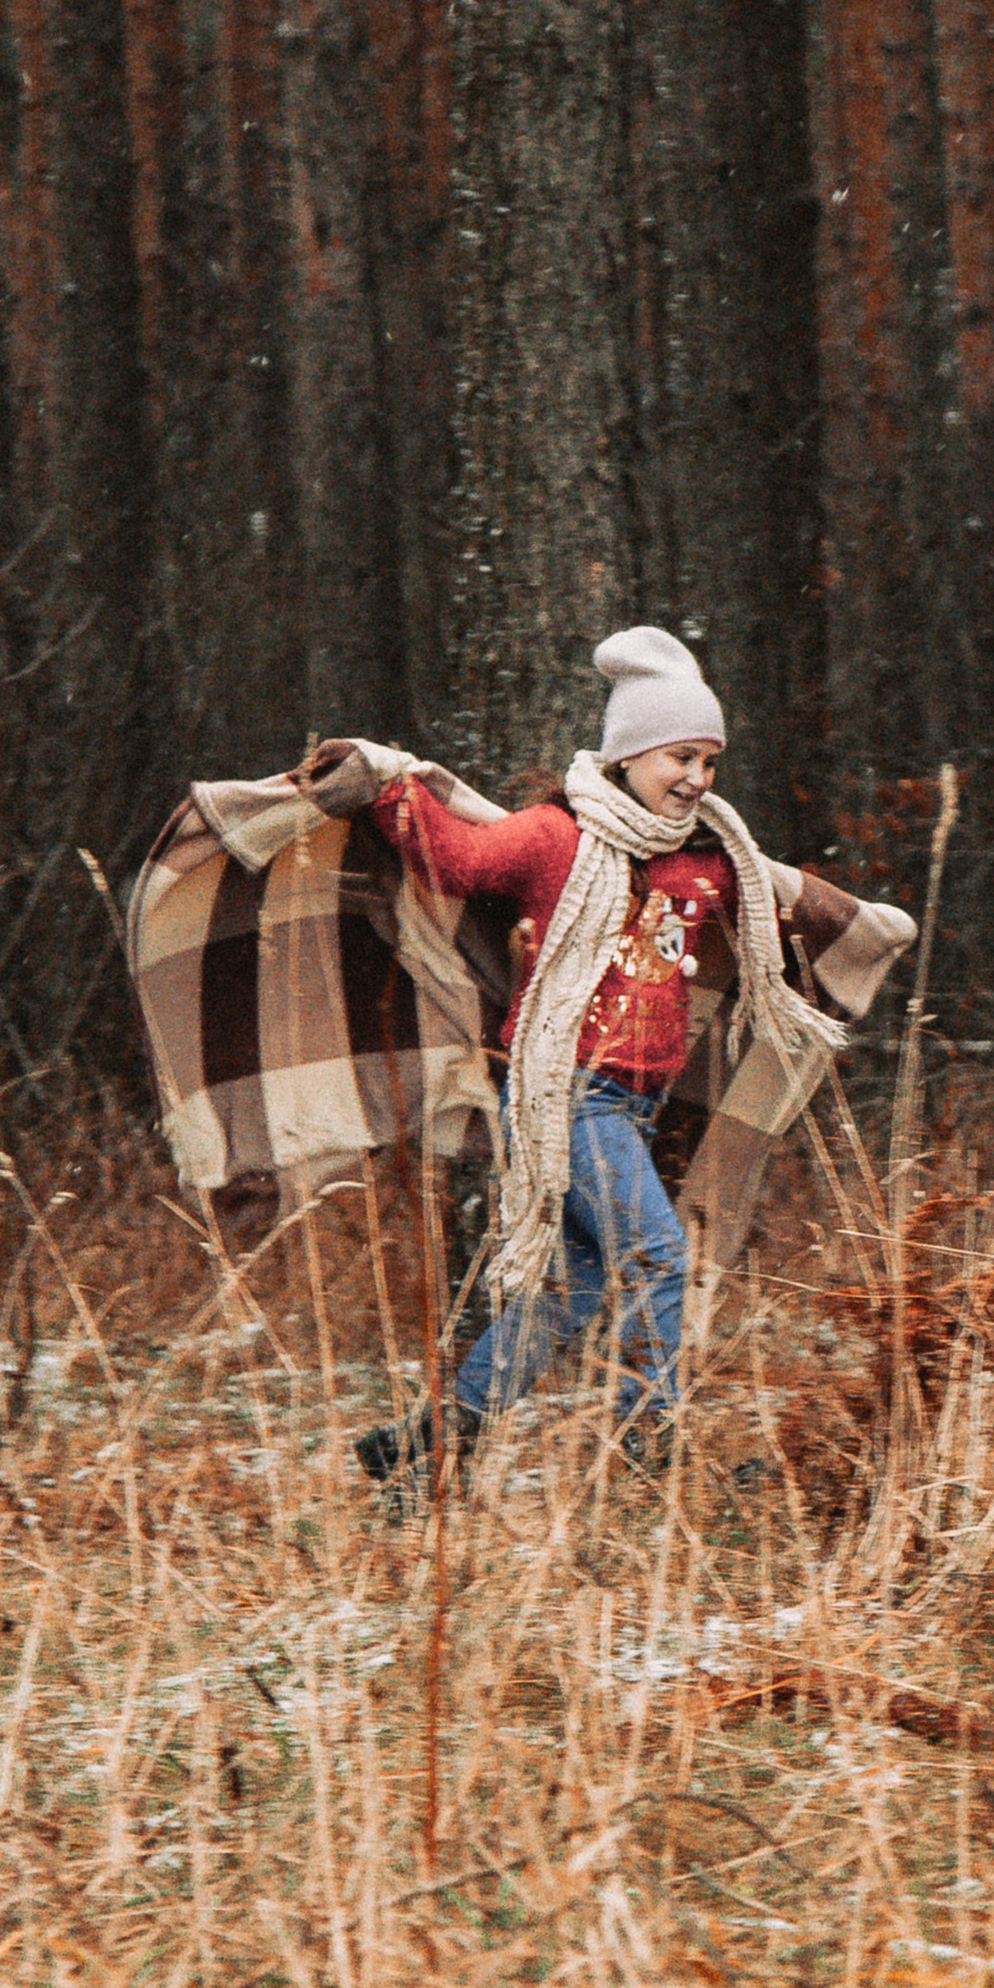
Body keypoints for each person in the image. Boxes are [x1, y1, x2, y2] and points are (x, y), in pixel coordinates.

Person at [355, 627, 905, 1493]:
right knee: (658, 1258)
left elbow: (775, 891)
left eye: (710, 762)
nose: (696, 778)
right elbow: (457, 862)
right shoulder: (554, 839)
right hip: (569, 1095)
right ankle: (648, 1450)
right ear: (630, 755)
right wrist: (388, 786)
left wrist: (860, 928)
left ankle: (426, 1442)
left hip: (631, 1108)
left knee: (570, 1296)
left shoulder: (706, 862)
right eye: (679, 756)